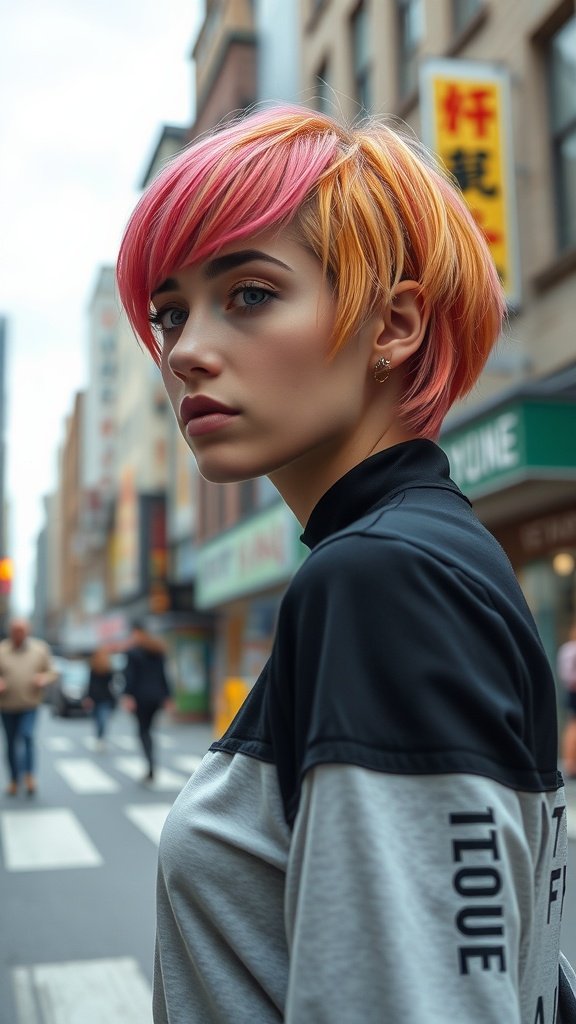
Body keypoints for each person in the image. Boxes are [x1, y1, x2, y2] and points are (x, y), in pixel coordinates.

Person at [116, 105, 574, 1023]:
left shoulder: (383, 579)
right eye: (170, 313)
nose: (188, 352)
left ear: (394, 325)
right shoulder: (439, 558)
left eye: (248, 293)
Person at [0, 618, 55, 796]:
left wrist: (43, 678)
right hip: (7, 705)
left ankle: (29, 775)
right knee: (10, 743)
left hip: (30, 704)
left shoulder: (40, 649)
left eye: (21, 630)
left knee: (27, 735)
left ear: (28, 631)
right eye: (15, 630)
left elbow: (52, 671)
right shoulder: (2, 650)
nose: (18, 633)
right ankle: (15, 779)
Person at [121, 621, 172, 783]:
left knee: (143, 731)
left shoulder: (133, 652)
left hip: (140, 698)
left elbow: (129, 677)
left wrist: (127, 696)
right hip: (156, 697)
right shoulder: (158, 650)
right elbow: (164, 675)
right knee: (149, 730)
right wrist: (167, 696)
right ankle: (151, 764)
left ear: (137, 633)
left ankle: (150, 765)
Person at [84, 647, 117, 748]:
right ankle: (99, 737)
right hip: (96, 698)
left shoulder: (109, 670)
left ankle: (100, 737)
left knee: (102, 719)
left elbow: (112, 685)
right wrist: (88, 697)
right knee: (97, 719)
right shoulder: (93, 669)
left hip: (105, 698)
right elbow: (90, 684)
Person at [558, 622, 576, 778]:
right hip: (573, 692)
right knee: (573, 725)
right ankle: (570, 763)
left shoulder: (567, 649)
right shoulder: (571, 650)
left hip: (571, 691)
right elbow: (567, 675)